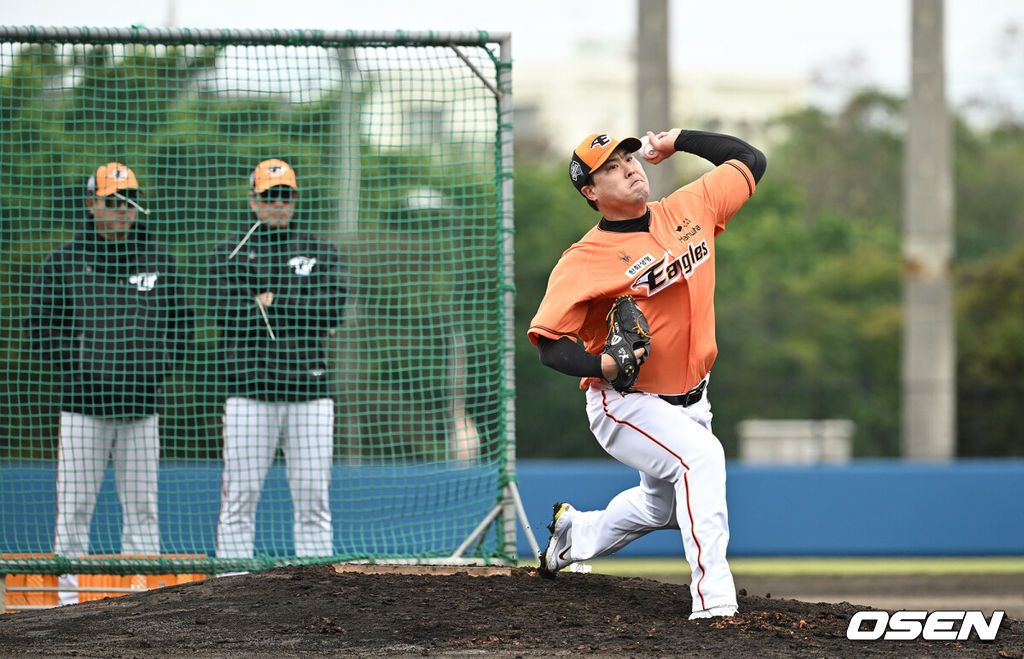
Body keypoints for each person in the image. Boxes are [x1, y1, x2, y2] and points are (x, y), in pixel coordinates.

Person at [527, 129, 766, 619]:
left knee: (660, 509)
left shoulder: (689, 207)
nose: (630, 168)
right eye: (610, 167)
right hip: (627, 401)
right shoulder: (583, 260)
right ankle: (714, 601)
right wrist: (603, 365)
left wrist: (678, 140)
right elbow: (550, 346)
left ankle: (573, 535)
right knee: (701, 460)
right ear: (590, 192)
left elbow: (750, 159)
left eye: (628, 158)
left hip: (694, 398)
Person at [27, 162, 194, 604]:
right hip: (83, 408)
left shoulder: (159, 259)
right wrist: (82, 369)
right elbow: (40, 327)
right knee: (75, 510)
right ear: (91, 204)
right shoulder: (64, 261)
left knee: (142, 510)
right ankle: (65, 604)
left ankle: (141, 604)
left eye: (129, 202)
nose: (122, 210)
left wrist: (155, 370)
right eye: (112, 202)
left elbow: (182, 327)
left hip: (142, 408)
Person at [209, 158, 347, 565]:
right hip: (249, 395)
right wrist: (302, 313)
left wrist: (274, 302)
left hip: (310, 396)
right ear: (253, 200)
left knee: (313, 503)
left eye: (285, 195)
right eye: (270, 196)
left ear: (295, 200)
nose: (278, 204)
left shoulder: (319, 249)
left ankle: (317, 588)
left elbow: (332, 309)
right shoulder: (229, 252)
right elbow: (225, 312)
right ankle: (229, 590)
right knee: (239, 500)